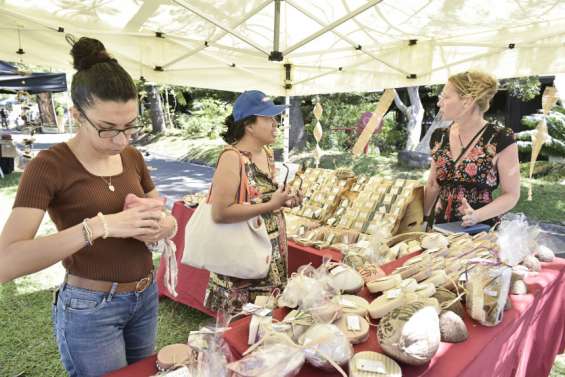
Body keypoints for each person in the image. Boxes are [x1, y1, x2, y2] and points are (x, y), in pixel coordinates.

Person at [0, 37, 177, 377]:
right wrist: (100, 226)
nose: (122, 140)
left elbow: (164, 220)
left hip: (145, 295)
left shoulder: (132, 156)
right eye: (108, 129)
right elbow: (7, 262)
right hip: (91, 307)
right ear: (76, 114)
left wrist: (163, 226)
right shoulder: (48, 166)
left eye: (130, 127)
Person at [203, 90, 302, 314]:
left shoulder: (266, 153)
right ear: (249, 125)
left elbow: (262, 195)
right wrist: (271, 205)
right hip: (243, 257)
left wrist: (285, 199)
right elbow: (220, 213)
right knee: (243, 325)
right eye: (268, 118)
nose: (275, 123)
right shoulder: (232, 157)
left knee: (266, 324)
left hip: (270, 253)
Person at [424, 71, 520, 228]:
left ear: (467, 101)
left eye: (446, 97)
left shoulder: (501, 138)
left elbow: (511, 195)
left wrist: (476, 216)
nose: (439, 103)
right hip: (439, 231)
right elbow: (433, 185)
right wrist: (422, 218)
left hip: (478, 234)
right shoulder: (439, 137)